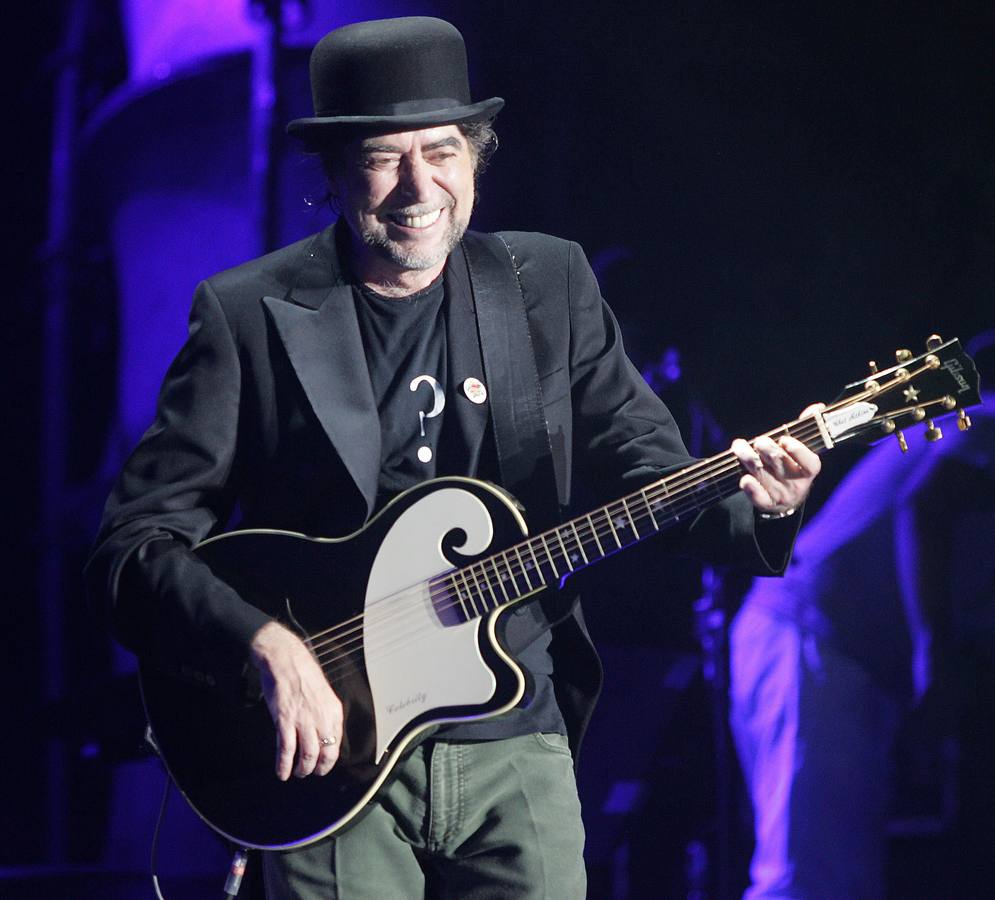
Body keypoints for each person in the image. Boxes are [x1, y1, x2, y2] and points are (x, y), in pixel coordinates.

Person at [86, 17, 821, 898]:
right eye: (383, 157)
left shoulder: (546, 284)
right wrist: (265, 645)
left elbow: (645, 469)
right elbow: (136, 547)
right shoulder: (248, 315)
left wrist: (766, 505)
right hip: (327, 762)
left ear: (475, 156)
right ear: (333, 173)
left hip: (516, 736)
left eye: (442, 150)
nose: (417, 185)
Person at [728, 330, 995, 899]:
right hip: (811, 643)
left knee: (830, 876)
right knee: (812, 878)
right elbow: (927, 506)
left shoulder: (974, 430)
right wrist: (935, 661)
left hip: (814, 645)